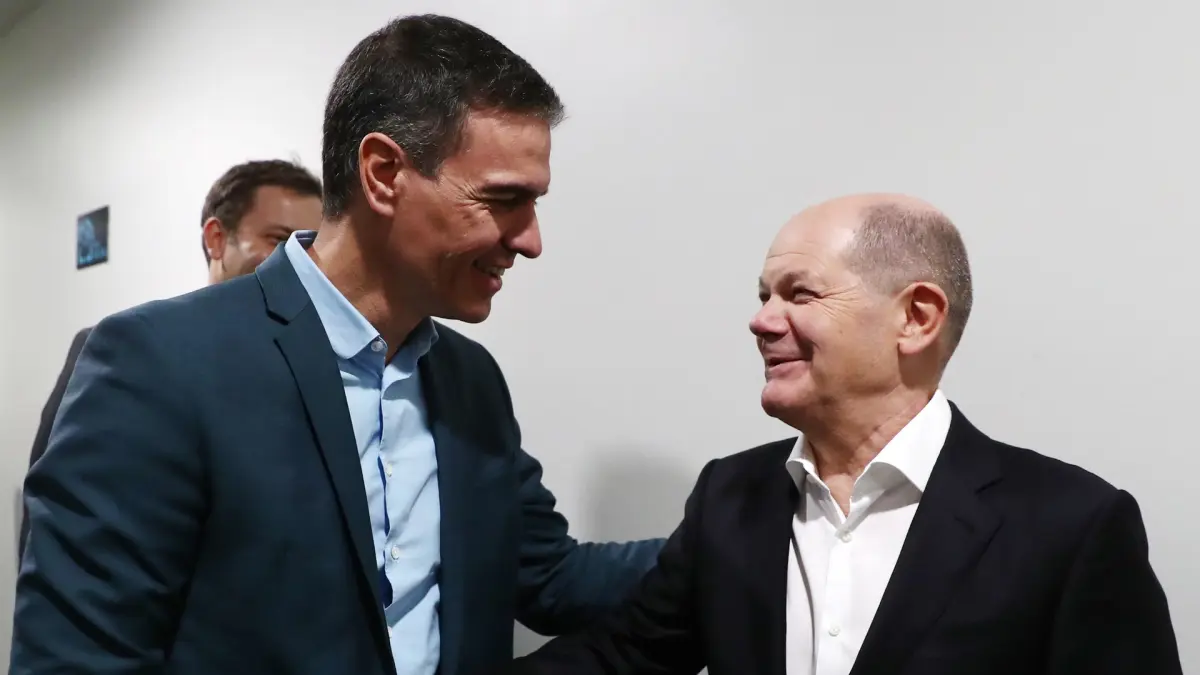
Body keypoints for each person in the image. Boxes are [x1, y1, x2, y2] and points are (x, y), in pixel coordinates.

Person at [11, 14, 664, 675]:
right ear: (383, 172)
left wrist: (721, 525)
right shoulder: (157, 364)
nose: (530, 240)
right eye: (503, 199)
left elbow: (549, 574)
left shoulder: (472, 380)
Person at [512, 193, 1182, 675]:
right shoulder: (730, 496)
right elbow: (620, 656)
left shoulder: (1071, 525)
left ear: (917, 317)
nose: (761, 321)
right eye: (764, 295)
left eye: (799, 294)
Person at [17, 158, 323, 561]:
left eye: (311, 245)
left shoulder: (321, 369)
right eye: (279, 239)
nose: (300, 259)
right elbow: (59, 531)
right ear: (216, 239)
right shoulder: (132, 352)